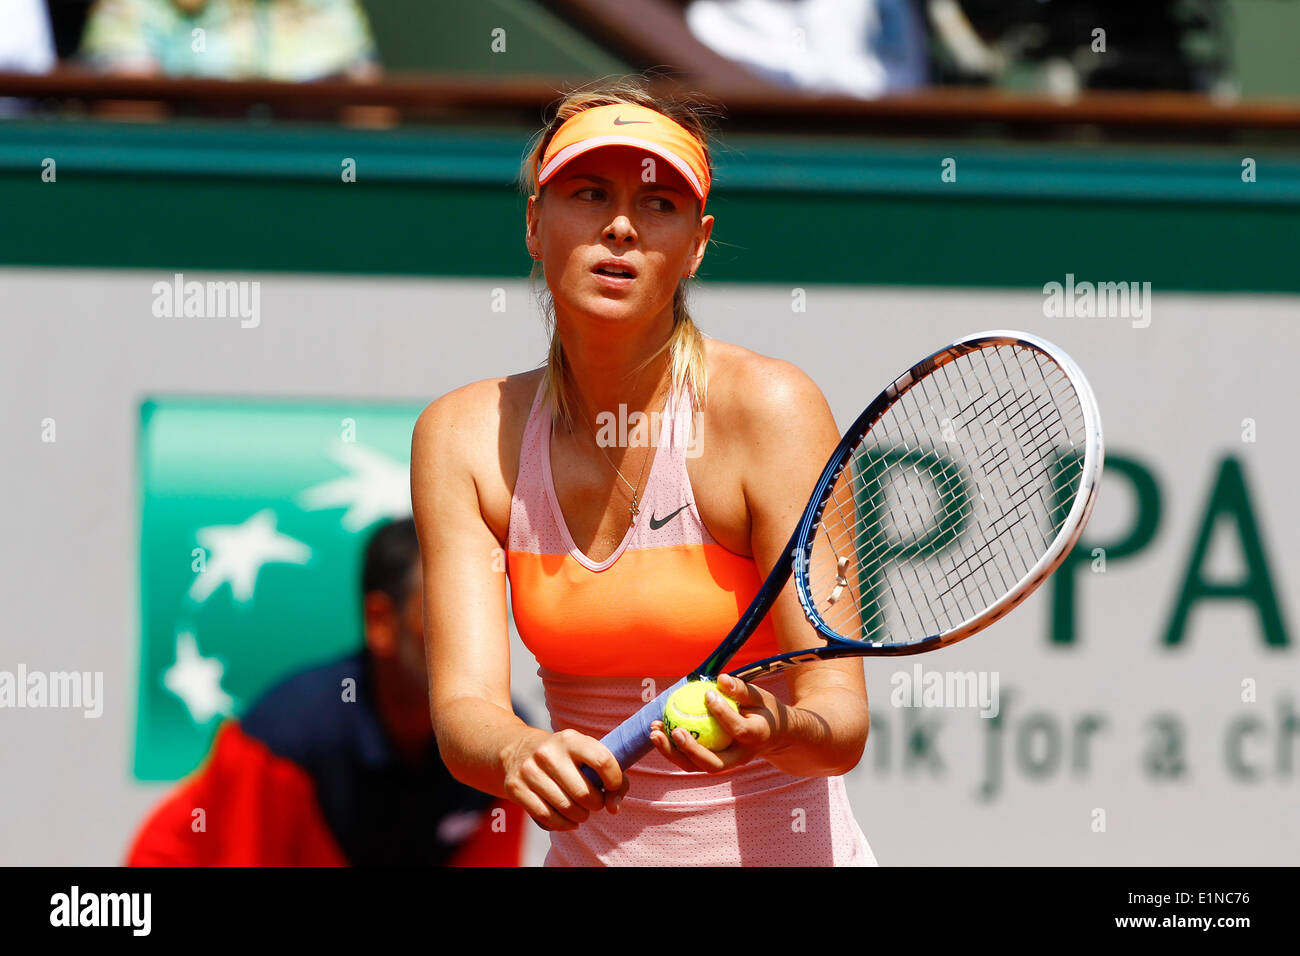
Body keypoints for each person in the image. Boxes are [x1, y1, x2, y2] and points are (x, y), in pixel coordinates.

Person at [412, 76, 877, 866]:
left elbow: (839, 722)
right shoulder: (461, 436)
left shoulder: (772, 410)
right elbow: (465, 712)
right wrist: (521, 751)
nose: (621, 226)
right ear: (534, 224)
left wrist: (776, 727)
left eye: (658, 204)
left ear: (697, 242)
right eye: (589, 194)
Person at [126, 518, 526, 866]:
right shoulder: (281, 739)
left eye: (489, 608)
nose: (475, 633)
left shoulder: (507, 745)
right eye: (444, 611)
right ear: (381, 621)